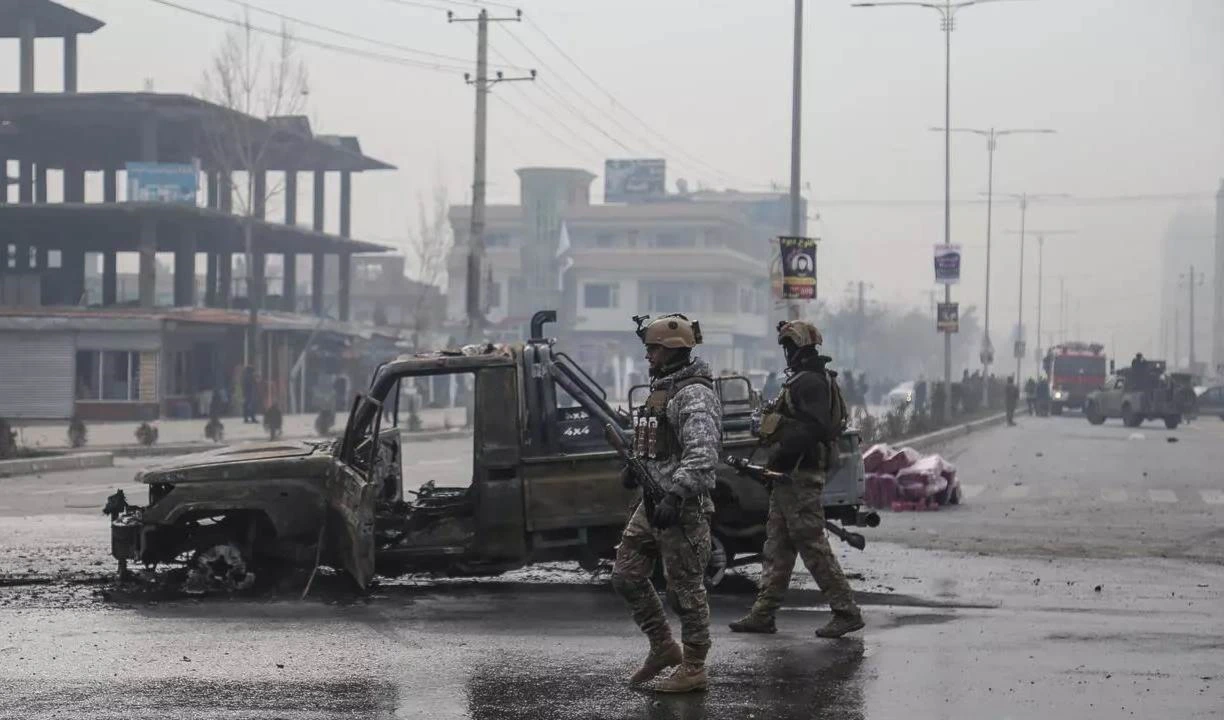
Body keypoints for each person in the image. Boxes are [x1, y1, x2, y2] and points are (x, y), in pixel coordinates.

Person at [729, 320, 864, 640]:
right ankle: (763, 613)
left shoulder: (810, 382)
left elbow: (814, 428)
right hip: (790, 475)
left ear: (799, 348)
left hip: (800, 475)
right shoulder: (806, 379)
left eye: (788, 346)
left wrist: (780, 450)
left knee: (812, 545)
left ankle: (846, 611)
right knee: (777, 546)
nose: (786, 352)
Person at [611, 313, 720, 693]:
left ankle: (694, 667)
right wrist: (634, 469)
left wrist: (676, 494)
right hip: (651, 503)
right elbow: (655, 444)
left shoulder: (694, 394)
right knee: (626, 575)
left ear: (673, 350)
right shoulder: (663, 390)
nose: (648, 356)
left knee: (685, 592)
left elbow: (702, 453)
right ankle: (662, 647)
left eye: (654, 349)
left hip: (682, 507)